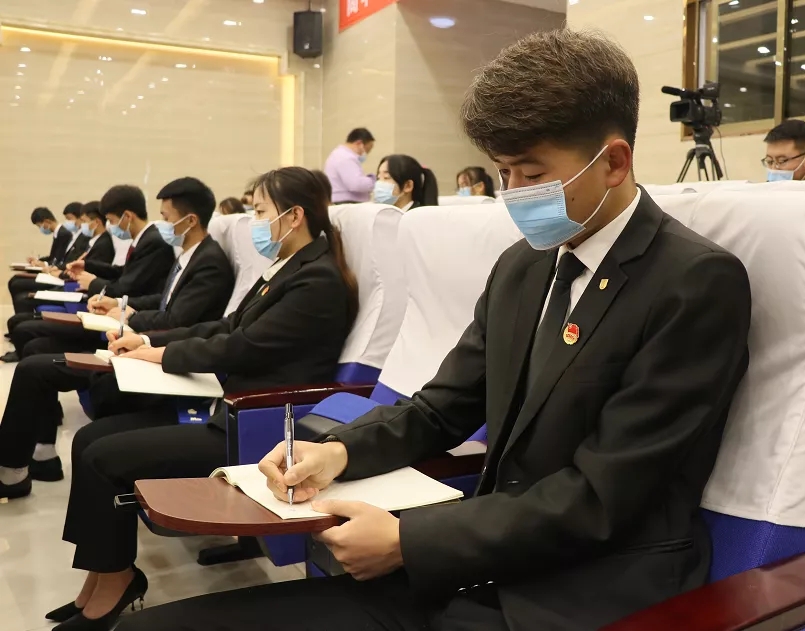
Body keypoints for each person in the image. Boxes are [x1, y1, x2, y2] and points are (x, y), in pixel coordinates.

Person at [118, 29, 752, 631]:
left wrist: (409, 541)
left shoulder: (692, 282)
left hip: (582, 593)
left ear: (613, 162)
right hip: (478, 561)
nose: (513, 194)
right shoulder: (524, 265)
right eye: (502, 173)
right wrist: (338, 451)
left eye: (532, 175)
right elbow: (442, 407)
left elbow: (604, 495)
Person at [40, 166, 357, 631]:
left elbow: (241, 347)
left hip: (258, 429)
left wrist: (160, 354)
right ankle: (103, 575)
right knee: (89, 442)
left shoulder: (317, 281)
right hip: (227, 410)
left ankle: (116, 581)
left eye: (260, 212)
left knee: (103, 459)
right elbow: (227, 327)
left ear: (294, 216)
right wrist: (148, 339)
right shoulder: (288, 269)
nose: (254, 222)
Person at [0, 177, 234, 489]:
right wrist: (122, 305)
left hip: (160, 354)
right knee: (35, 359)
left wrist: (132, 319)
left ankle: (12, 473)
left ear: (190, 220)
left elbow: (176, 318)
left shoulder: (210, 262)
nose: (163, 224)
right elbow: (163, 300)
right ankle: (31, 460)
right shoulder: (189, 255)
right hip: (140, 340)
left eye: (166, 218)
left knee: (35, 366)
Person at [9, 185, 176, 360]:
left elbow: (126, 287)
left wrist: (93, 283)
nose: (110, 226)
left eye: (111, 220)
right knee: (28, 334)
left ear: (127, 216)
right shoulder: (144, 240)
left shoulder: (153, 242)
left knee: (30, 339)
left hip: (126, 320)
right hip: (114, 311)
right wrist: (88, 265)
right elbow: (122, 272)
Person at [3, 203, 117, 362]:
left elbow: (94, 273)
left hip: (79, 292)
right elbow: (73, 263)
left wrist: (64, 272)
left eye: (83, 221)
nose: (80, 224)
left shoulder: (103, 243)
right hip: (73, 285)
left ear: (96, 222)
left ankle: (22, 342)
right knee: (20, 298)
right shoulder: (94, 241)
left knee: (23, 307)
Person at [325, 127, 376, 203]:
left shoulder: (339, 155)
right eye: (366, 150)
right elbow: (356, 184)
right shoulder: (345, 157)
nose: (365, 154)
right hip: (346, 203)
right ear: (359, 143)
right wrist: (374, 180)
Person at [374, 154, 439, 210]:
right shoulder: (381, 214)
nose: (379, 183)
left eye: (386, 177)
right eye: (378, 178)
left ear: (408, 186)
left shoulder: (420, 217)